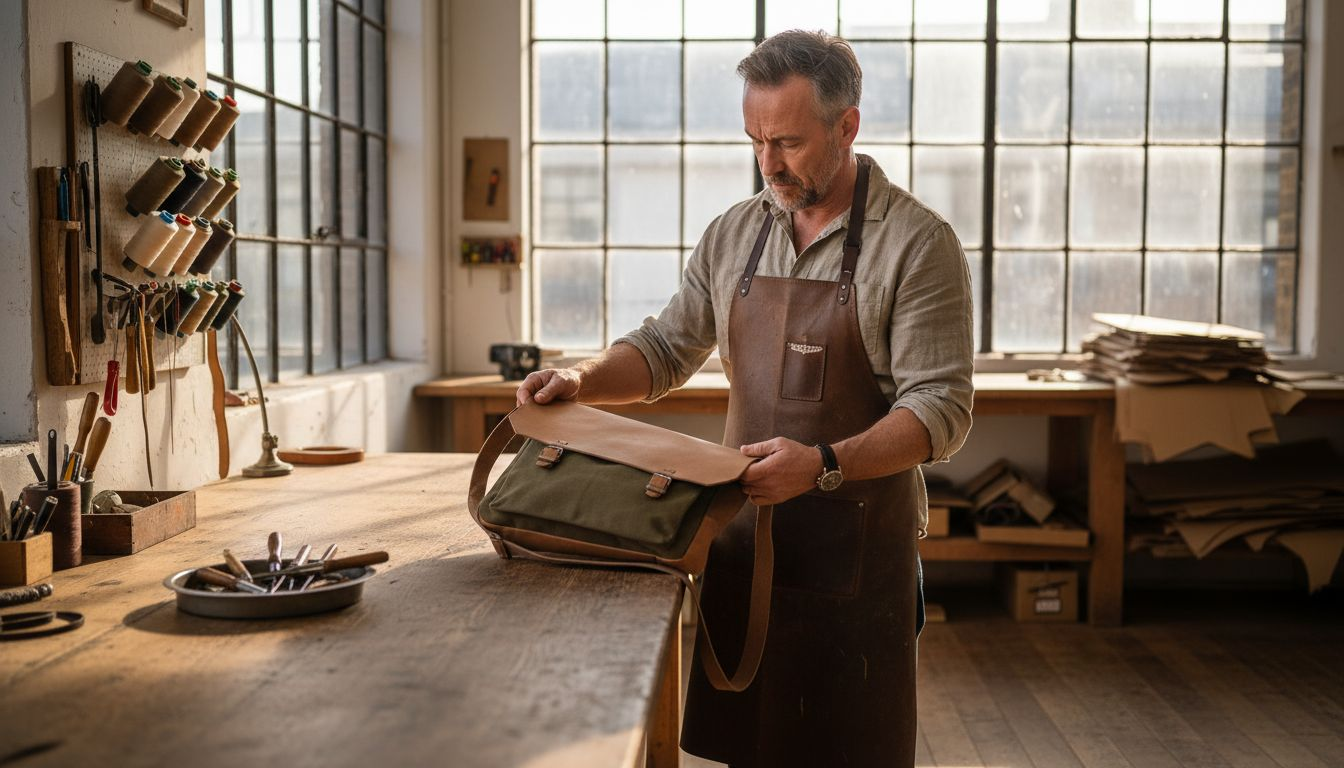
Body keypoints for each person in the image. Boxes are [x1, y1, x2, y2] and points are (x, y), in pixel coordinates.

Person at [517, 29, 973, 768]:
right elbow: (667, 347)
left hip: (856, 555)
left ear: (847, 126)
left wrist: (822, 463)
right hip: (743, 544)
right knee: (750, 750)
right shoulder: (736, 231)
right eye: (756, 140)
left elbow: (940, 411)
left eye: (788, 142)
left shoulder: (917, 244)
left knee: (846, 748)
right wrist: (583, 378)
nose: (768, 163)